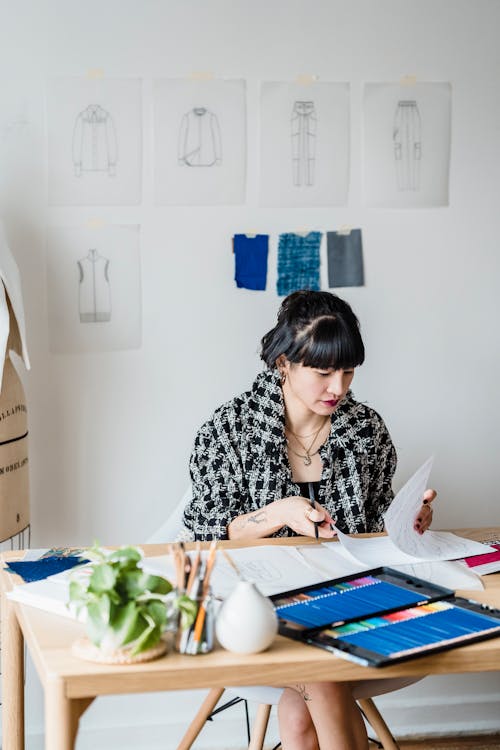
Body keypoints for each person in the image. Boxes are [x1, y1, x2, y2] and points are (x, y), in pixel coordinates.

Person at [183, 290, 435, 750]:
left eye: (348, 370)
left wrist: (409, 518)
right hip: (252, 606)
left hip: (348, 597)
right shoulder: (227, 430)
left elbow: (379, 515)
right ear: (283, 363)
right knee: (322, 677)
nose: (338, 387)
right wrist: (278, 512)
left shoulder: (365, 428)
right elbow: (206, 534)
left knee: (300, 713)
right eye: (323, 372)